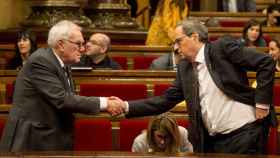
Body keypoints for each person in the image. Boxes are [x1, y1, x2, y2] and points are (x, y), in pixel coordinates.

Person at [116, 19, 277, 154]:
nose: (175, 48)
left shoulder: (221, 48)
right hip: (212, 143)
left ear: (194, 37)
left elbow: (266, 62)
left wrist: (262, 103)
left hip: (245, 134)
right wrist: (126, 106)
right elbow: (165, 101)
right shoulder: (184, 68)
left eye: (178, 41)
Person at [0, 20, 124, 152]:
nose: (82, 49)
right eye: (78, 44)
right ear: (61, 44)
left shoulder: (62, 62)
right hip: (31, 141)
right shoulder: (41, 61)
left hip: (48, 138)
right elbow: (62, 99)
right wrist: (105, 103)